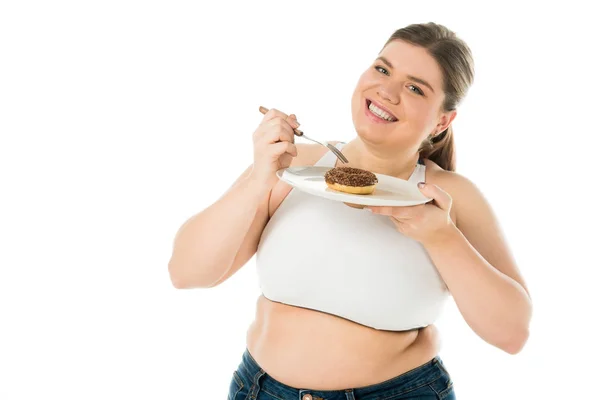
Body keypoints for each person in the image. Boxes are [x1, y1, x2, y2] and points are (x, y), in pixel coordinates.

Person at [168, 22, 532, 400]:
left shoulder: (448, 196)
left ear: (442, 120)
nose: (386, 91)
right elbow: (186, 273)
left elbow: (512, 334)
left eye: (414, 88)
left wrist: (441, 237)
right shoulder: (295, 165)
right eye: (382, 68)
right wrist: (258, 179)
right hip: (259, 390)